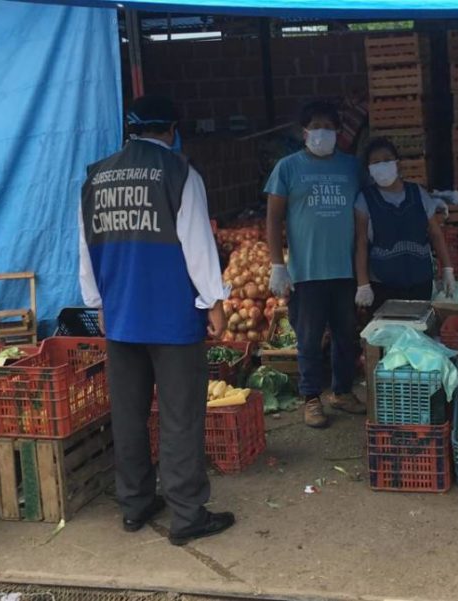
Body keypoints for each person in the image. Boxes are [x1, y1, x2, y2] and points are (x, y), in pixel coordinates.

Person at [78, 95, 234, 546]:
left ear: (130, 130)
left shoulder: (95, 177)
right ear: (171, 130)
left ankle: (135, 504)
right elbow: (198, 245)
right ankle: (187, 515)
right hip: (172, 318)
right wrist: (214, 301)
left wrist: (97, 302)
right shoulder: (180, 173)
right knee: (179, 416)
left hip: (121, 316)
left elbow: (85, 247)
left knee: (128, 414)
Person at [265, 100, 366, 428]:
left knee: (346, 336)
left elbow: (366, 209)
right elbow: (273, 218)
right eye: (316, 126)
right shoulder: (287, 168)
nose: (322, 132)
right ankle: (311, 398)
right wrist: (277, 264)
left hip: (345, 270)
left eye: (329, 127)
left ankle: (342, 391)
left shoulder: (352, 167)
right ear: (304, 132)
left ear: (338, 131)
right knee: (308, 339)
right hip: (306, 272)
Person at [352, 137, 456, 310]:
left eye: (387, 160)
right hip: (382, 283)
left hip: (420, 280)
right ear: (369, 169)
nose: (382, 165)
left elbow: (435, 233)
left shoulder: (418, 194)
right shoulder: (365, 200)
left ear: (397, 164)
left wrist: (447, 269)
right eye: (376, 162)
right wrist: (363, 284)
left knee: (418, 325)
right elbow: (361, 242)